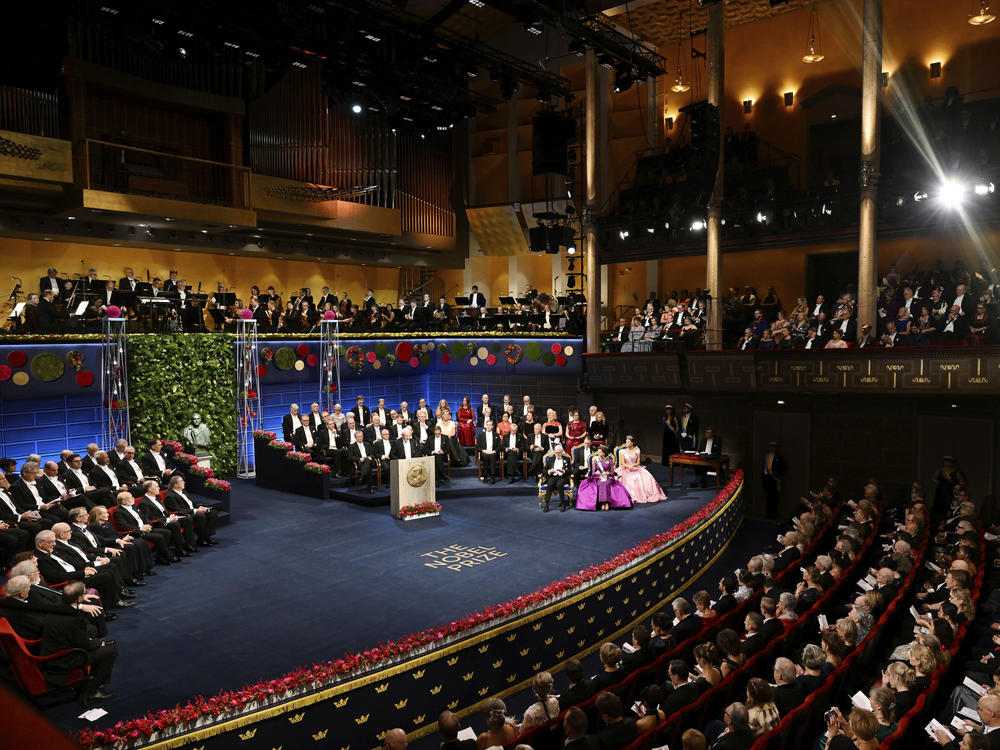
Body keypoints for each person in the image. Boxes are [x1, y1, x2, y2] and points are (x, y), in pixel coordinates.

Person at [576, 445, 632, 512]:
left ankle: (607, 503)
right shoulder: (596, 460)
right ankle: (603, 503)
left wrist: (607, 473)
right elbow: (593, 472)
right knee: (601, 483)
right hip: (598, 477)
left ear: (604, 453)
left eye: (600, 452)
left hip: (607, 477)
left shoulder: (609, 460)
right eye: (598, 452)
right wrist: (597, 473)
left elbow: (612, 472)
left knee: (606, 482)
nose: (598, 454)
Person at [616, 436, 666, 503]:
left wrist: (633, 466)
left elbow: (638, 462)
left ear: (632, 443)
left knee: (648, 477)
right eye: (626, 442)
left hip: (635, 467)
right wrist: (628, 466)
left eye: (628, 442)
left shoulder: (637, 451)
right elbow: (623, 463)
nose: (626, 443)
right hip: (626, 468)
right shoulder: (623, 451)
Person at [542, 444, 571, 512]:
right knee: (550, 484)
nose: (557, 454)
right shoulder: (551, 459)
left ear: (562, 452)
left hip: (562, 477)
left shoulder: (567, 459)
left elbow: (570, 471)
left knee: (559, 485)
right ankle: (547, 504)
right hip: (552, 476)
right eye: (556, 452)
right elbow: (544, 470)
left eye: (559, 452)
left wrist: (563, 471)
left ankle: (563, 503)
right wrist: (549, 471)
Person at [762, 441, 785, 518]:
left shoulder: (779, 457)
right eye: (771, 447)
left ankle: (774, 515)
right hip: (767, 479)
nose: (772, 449)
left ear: (776, 448)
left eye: (773, 447)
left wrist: (776, 474)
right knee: (768, 497)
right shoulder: (766, 456)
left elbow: (783, 468)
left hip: (775, 480)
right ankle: (768, 514)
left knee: (775, 498)